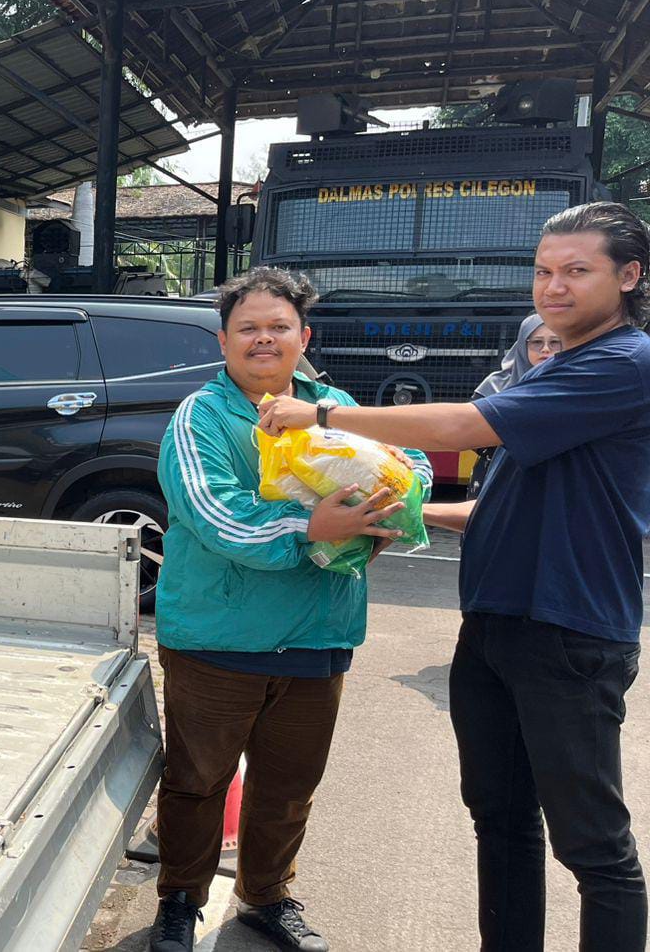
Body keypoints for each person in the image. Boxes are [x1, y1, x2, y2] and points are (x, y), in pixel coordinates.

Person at [260, 201, 650, 951]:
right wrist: (399, 512)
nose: (554, 287)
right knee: (500, 819)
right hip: (497, 624)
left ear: (629, 276)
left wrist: (325, 417)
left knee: (593, 845)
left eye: (577, 271)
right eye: (543, 271)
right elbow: (493, 507)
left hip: (568, 631)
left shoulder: (623, 362)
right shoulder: (555, 366)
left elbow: (463, 427)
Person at [149, 267, 430, 952]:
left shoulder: (334, 406)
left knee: (289, 786)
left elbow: (412, 460)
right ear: (223, 341)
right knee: (197, 782)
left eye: (279, 327)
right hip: (218, 638)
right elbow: (216, 516)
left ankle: (267, 895)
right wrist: (311, 528)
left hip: (317, 633)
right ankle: (180, 900)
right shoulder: (201, 417)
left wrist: (393, 498)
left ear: (304, 337)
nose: (264, 339)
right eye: (248, 327)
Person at [462, 314, 561, 499]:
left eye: (555, 342)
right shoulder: (495, 386)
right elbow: (470, 436)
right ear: (523, 346)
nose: (545, 349)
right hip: (497, 480)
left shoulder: (574, 387)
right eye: (536, 342)